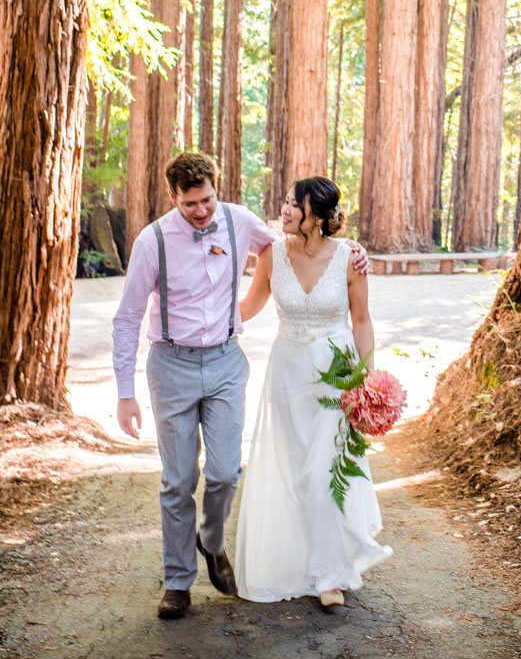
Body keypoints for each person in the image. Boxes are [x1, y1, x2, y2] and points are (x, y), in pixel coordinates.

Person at [112, 153, 369, 620]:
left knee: (227, 473)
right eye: (190, 203)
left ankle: (211, 541)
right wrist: (124, 391)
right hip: (171, 363)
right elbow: (128, 317)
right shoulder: (152, 241)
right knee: (178, 480)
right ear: (174, 197)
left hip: (228, 362)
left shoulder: (239, 222)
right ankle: (177, 583)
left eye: (208, 199)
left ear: (218, 188)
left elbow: (301, 248)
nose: (202, 211)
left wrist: (350, 249)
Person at [234, 175, 392, 607]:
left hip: (336, 375)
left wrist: (368, 379)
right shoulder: (271, 255)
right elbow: (247, 307)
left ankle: (328, 576)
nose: (284, 210)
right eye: (285, 202)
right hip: (287, 374)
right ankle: (296, 564)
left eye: (293, 205)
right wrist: (207, 319)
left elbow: (361, 320)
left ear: (317, 217)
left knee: (325, 474)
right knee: (293, 472)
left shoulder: (349, 259)